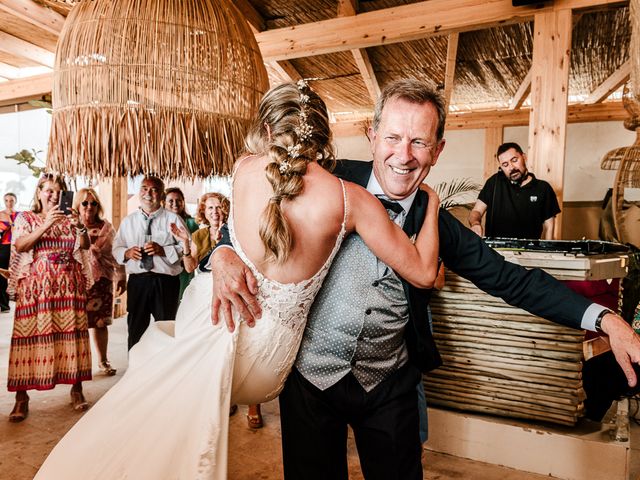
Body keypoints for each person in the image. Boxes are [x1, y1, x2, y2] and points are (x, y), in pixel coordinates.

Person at [210, 79, 640, 480]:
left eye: (420, 141)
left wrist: (604, 319)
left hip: (390, 383)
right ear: (372, 135)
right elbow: (259, 208)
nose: (404, 155)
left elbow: (512, 279)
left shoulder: (440, 224)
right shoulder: (326, 178)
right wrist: (223, 251)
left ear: (438, 150)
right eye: (394, 137)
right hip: (309, 380)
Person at [34, 81, 440, 480]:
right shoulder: (351, 199)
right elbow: (423, 273)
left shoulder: (244, 168)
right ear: (324, 133)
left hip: (211, 321)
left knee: (158, 424)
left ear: (266, 130)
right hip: (267, 361)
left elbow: (240, 231)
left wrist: (224, 251)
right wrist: (433, 204)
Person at [172, 192, 264, 428]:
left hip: (235, 291)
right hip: (206, 295)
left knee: (245, 345)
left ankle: (254, 403)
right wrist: (184, 243)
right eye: (210, 208)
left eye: (219, 207)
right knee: (217, 348)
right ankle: (228, 394)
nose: (215, 211)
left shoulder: (237, 232)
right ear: (204, 211)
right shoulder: (198, 235)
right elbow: (191, 266)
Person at [7, 174, 93, 422]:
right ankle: (21, 398)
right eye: (49, 191)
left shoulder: (70, 219)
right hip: (37, 288)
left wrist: (79, 227)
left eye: (59, 192)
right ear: (39, 193)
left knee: (72, 337)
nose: (54, 196)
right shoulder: (26, 218)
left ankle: (76, 390)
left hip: (69, 286)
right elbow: (21, 246)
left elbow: (84, 246)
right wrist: (46, 224)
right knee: (28, 337)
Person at [112, 176, 187, 349]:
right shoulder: (128, 221)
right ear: (139, 192)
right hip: (138, 282)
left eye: (154, 190)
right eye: (144, 188)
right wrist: (127, 252)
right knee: (136, 329)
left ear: (161, 195)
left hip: (165, 282)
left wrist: (164, 250)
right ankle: (135, 370)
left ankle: (165, 370)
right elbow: (116, 248)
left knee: (166, 328)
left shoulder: (173, 220)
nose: (148, 193)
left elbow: (187, 247)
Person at [74, 188, 126, 376]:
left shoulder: (106, 227)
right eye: (85, 203)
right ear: (77, 205)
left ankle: (103, 361)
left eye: (93, 203)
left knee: (100, 323)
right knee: (75, 324)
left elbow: (116, 253)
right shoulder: (70, 225)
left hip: (102, 279)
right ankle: (78, 364)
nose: (89, 206)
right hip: (76, 280)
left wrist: (121, 275)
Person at [468, 142, 560, 239]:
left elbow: (549, 227)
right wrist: (475, 223)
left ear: (524, 157)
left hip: (529, 251)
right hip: (494, 251)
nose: (511, 167)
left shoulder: (543, 188)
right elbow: (477, 211)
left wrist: (546, 251)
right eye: (505, 164)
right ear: (501, 167)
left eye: (514, 160)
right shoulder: (494, 182)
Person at [164, 187, 199, 299]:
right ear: (164, 203)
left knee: (182, 299)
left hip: (184, 269)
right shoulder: (160, 223)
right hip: (165, 269)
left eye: (179, 200)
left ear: (183, 202)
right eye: (171, 201)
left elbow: (195, 249)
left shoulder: (192, 223)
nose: (175, 204)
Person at [0, 192, 18, 312]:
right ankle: (4, 305)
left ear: (15, 201)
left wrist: (11, 223)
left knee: (14, 275)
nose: (8, 203)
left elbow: (20, 230)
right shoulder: (0, 215)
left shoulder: (20, 215)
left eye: (11, 200)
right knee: (1, 276)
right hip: (3, 247)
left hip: (16, 247)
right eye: (6, 200)